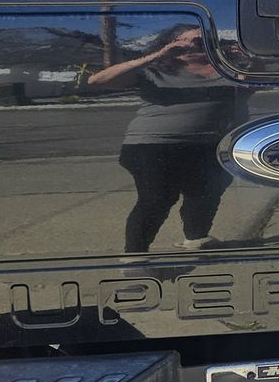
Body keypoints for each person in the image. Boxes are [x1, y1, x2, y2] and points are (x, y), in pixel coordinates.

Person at [86, 25, 242, 253]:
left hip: (211, 144)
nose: (194, 46)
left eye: (202, 41)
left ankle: (196, 238)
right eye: (186, 41)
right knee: (157, 198)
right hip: (153, 145)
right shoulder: (156, 70)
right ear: (170, 43)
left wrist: (246, 57)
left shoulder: (229, 70)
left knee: (206, 194)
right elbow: (97, 81)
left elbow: (263, 80)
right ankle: (135, 255)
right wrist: (157, 55)